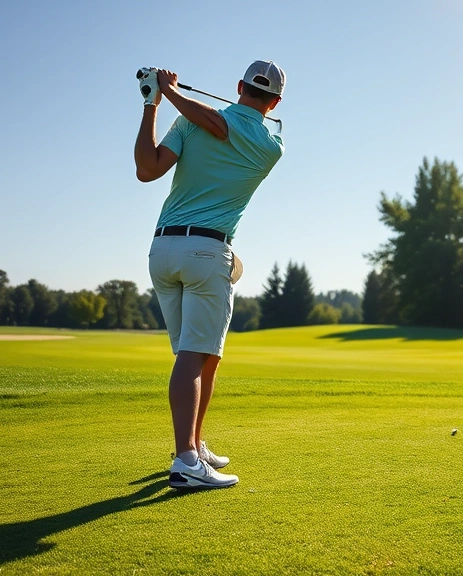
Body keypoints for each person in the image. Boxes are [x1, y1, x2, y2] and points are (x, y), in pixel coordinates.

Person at [134, 61, 285, 489]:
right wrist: (161, 99)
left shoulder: (212, 125)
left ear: (239, 87)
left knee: (204, 354)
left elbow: (151, 165)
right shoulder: (270, 141)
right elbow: (152, 169)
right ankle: (184, 461)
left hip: (163, 251)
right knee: (194, 355)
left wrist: (157, 101)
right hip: (205, 251)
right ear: (275, 100)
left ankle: (195, 445)